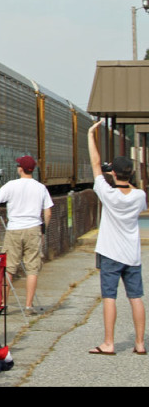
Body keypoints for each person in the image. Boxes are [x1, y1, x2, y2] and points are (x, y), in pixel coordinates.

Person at [87, 119, 146, 356]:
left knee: (109, 297)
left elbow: (94, 164)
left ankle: (109, 343)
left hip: (110, 253)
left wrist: (91, 135)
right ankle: (140, 344)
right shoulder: (140, 196)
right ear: (130, 173)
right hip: (132, 255)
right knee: (136, 297)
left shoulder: (107, 192)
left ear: (113, 173)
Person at [0, 155, 53, 313]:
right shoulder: (41, 187)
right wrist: (43, 230)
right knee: (32, 268)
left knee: (9, 268)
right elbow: (48, 212)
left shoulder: (11, 185)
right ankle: (28, 305)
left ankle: (4, 304)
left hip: (14, 229)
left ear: (20, 169)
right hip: (33, 229)